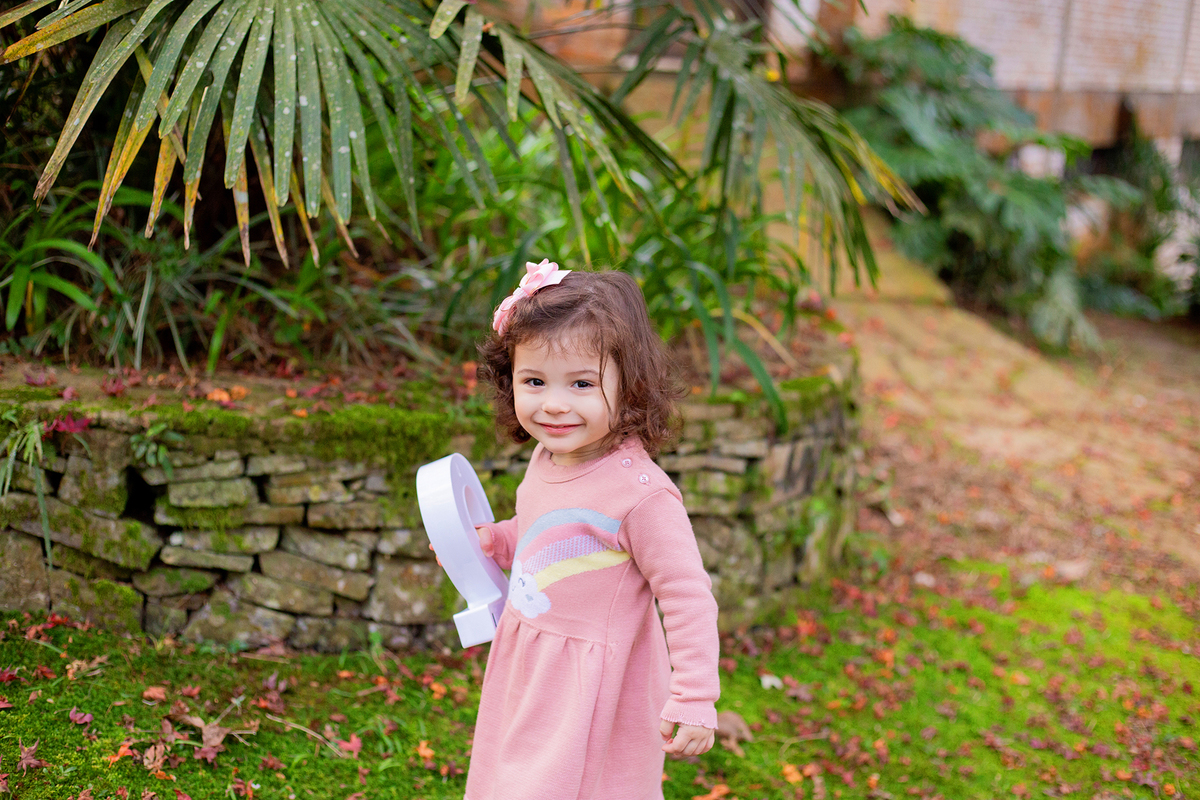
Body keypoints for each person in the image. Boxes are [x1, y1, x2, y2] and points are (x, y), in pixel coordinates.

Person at [463, 260, 720, 800]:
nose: (554, 404)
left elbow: (687, 594)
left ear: (631, 383)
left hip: (593, 680)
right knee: (510, 774)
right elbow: (547, 533)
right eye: (534, 381)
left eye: (582, 383)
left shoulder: (642, 496)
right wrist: (499, 541)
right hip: (531, 660)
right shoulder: (549, 456)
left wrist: (695, 696)